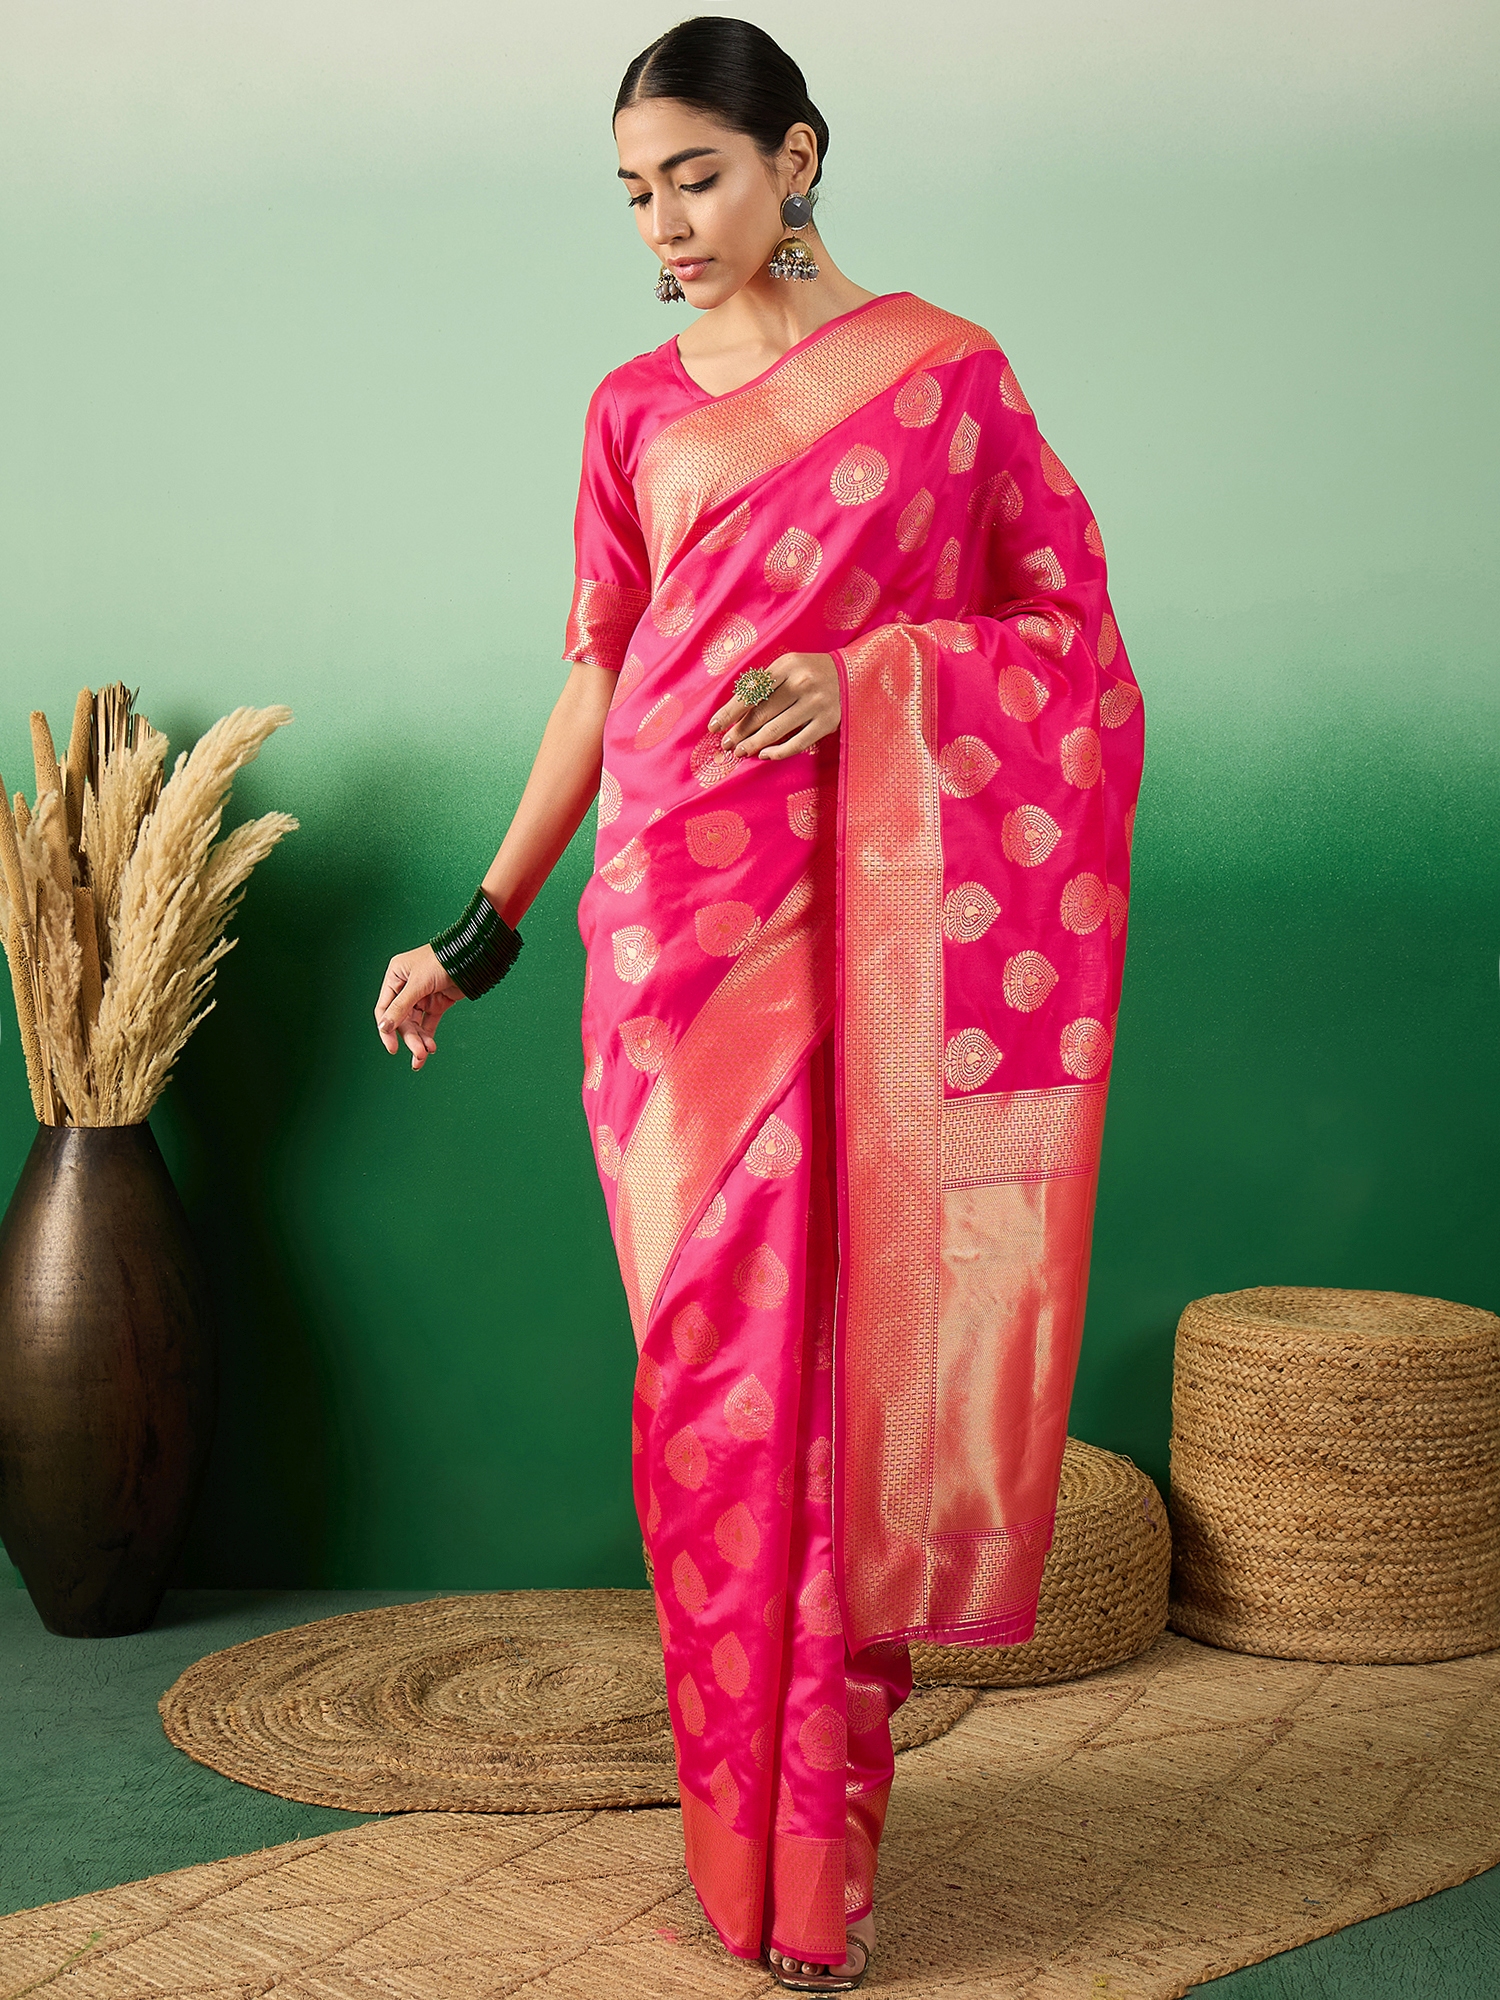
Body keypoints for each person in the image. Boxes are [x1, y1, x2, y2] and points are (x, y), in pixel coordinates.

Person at [375, 16, 1143, 1991]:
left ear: (796, 155)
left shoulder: (948, 378)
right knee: (719, 1394)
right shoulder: (632, 408)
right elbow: (600, 675)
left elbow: (1067, 641)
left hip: (869, 942)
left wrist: (874, 673)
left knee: (853, 1383)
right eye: (635, 192)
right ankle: (748, 1849)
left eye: (696, 175)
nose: (665, 222)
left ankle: (826, 1863)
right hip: (670, 952)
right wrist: (479, 929)